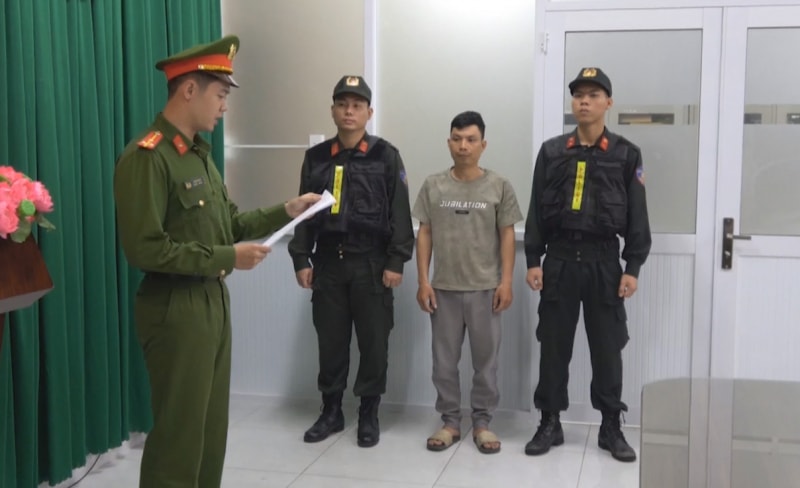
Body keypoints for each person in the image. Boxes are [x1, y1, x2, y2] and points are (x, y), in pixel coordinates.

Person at [114, 35, 320, 488]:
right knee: (180, 435)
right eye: (221, 94)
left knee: (209, 431)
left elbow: (229, 224)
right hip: (174, 307)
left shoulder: (200, 158)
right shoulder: (148, 157)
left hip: (211, 301)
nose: (225, 106)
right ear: (189, 89)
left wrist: (287, 210)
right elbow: (145, 248)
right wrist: (228, 258)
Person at [523, 67, 651, 462]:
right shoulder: (552, 152)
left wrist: (632, 266)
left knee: (608, 348)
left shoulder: (626, 154)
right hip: (560, 260)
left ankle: (610, 425)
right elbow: (536, 210)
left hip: (603, 263)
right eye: (579, 94)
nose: (584, 101)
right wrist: (533, 258)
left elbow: (638, 215)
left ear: (608, 102)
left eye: (593, 95)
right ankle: (550, 422)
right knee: (554, 346)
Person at [288, 76, 414, 448]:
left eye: (357, 105)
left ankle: (369, 413)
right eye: (342, 104)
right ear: (333, 110)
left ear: (368, 113)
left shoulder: (386, 155)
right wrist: (301, 257)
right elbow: (303, 213)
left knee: (374, 343)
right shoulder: (316, 158)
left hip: (371, 264)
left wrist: (396, 261)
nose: (349, 111)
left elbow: (400, 213)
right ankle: (331, 411)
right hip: (328, 263)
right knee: (330, 342)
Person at [413, 111, 522, 455]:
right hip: (443, 289)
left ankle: (482, 423)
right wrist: (423, 281)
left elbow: (507, 235)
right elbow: (424, 233)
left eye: (471, 140)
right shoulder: (433, 185)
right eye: (457, 139)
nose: (464, 146)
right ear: (449, 142)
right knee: (443, 364)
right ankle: (449, 422)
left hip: (486, 289)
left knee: (485, 364)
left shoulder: (499, 185)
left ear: (483, 145)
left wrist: (506, 282)